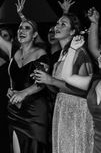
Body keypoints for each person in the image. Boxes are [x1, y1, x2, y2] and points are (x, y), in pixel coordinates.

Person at [0, 0, 49, 153]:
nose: (21, 30)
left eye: (27, 28)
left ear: (35, 35)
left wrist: (24, 92)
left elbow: (42, 82)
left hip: (34, 110)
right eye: (20, 28)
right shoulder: (13, 51)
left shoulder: (41, 53)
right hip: (15, 109)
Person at [33, 13, 94, 153]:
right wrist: (46, 79)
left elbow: (84, 91)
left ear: (72, 31)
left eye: (63, 24)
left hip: (77, 111)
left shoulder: (79, 52)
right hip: (62, 109)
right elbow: (58, 91)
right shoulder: (61, 55)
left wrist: (51, 80)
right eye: (57, 23)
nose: (57, 26)